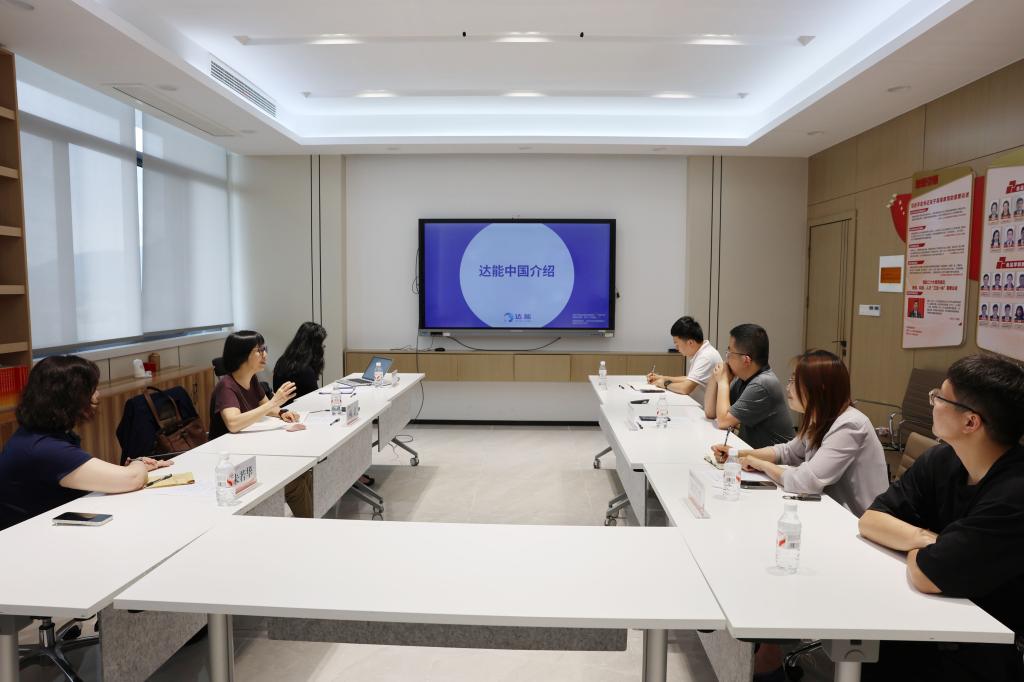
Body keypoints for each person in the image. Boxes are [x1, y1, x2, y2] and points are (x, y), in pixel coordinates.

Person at [859, 354, 1024, 682]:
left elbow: (927, 575)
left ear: (970, 422)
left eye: (940, 397)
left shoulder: (1014, 492)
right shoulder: (942, 459)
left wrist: (922, 549)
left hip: (988, 645)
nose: (932, 402)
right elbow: (872, 520)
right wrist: (930, 540)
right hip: (932, 622)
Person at [0, 356, 171, 530]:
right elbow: (132, 479)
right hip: (32, 537)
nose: (98, 395)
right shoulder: (43, 448)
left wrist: (131, 469)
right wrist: (138, 465)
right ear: (71, 397)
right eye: (92, 389)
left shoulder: (37, 434)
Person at [712, 350, 887, 516]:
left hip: (857, 521)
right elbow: (787, 452)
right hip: (828, 509)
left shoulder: (850, 425)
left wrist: (761, 464)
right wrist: (738, 454)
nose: (788, 387)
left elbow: (806, 481)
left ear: (820, 388)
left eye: (795, 381)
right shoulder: (820, 417)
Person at [210, 331, 314, 518]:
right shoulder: (226, 386)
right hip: (231, 466)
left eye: (264, 349)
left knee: (304, 472)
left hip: (250, 452)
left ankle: (312, 521)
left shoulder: (251, 379)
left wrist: (281, 412)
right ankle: (310, 527)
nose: (265, 354)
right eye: (259, 350)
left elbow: (266, 407)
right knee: (295, 481)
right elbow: (233, 423)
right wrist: (275, 402)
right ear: (242, 355)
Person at [704, 323, 793, 448]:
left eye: (730, 353)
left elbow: (723, 421)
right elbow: (711, 412)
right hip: (753, 454)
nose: (727, 358)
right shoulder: (745, 379)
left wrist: (723, 382)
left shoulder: (762, 384)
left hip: (778, 458)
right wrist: (716, 377)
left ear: (746, 360)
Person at [646, 316, 722, 404]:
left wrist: (664, 383)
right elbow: (689, 379)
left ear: (690, 342)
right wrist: (662, 378)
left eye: (677, 344)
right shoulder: (703, 351)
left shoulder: (706, 357)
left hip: (704, 410)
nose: (676, 348)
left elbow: (685, 388)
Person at [273, 321, 328, 402]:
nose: (322, 347)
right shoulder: (305, 370)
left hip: (282, 407)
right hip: (296, 408)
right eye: (321, 344)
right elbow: (315, 399)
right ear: (314, 346)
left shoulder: (283, 360)